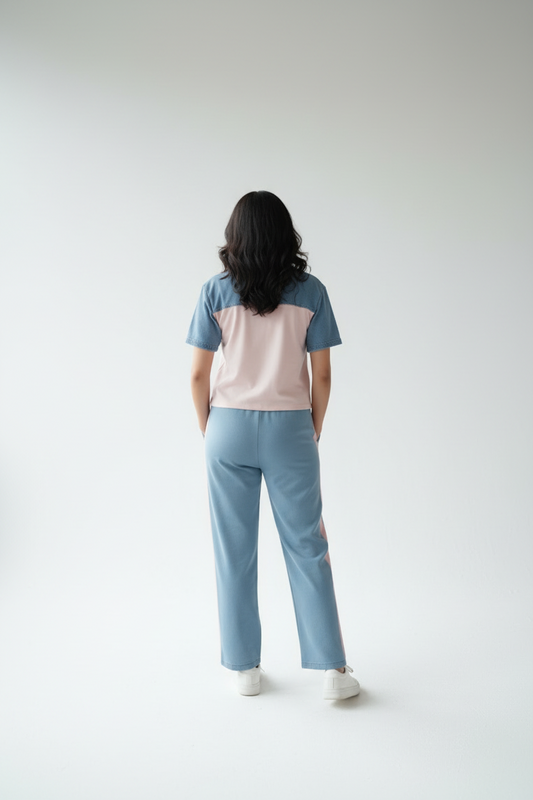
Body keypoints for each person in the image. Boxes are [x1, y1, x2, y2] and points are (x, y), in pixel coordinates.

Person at [186, 190, 359, 700]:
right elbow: (321, 374)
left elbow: (198, 375)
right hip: (291, 428)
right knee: (308, 545)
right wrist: (312, 428)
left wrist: (210, 430)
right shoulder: (312, 292)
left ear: (235, 237)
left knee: (233, 550)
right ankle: (332, 671)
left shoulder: (214, 292)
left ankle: (244, 669)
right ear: (286, 235)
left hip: (228, 428)